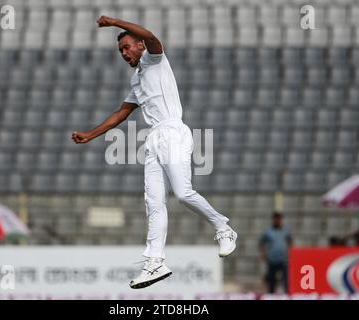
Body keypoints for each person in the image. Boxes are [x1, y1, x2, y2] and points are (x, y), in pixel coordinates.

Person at [72, 16, 237, 289]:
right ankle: (155, 261)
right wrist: (90, 134)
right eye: (120, 51)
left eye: (127, 47)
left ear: (139, 46)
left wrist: (114, 22)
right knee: (154, 203)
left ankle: (223, 228)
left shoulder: (154, 59)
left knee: (183, 193)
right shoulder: (136, 80)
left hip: (173, 131)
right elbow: (120, 115)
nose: (124, 54)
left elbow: (150, 35)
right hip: (153, 139)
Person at [259, 212, 292, 293]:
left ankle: (287, 294)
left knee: (285, 279)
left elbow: (290, 241)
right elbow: (262, 243)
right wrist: (263, 254)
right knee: (272, 280)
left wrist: (290, 253)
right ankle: (271, 295)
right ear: (273, 220)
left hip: (283, 259)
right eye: (276, 219)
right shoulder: (268, 231)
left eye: (279, 219)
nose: (277, 221)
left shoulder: (285, 230)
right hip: (272, 259)